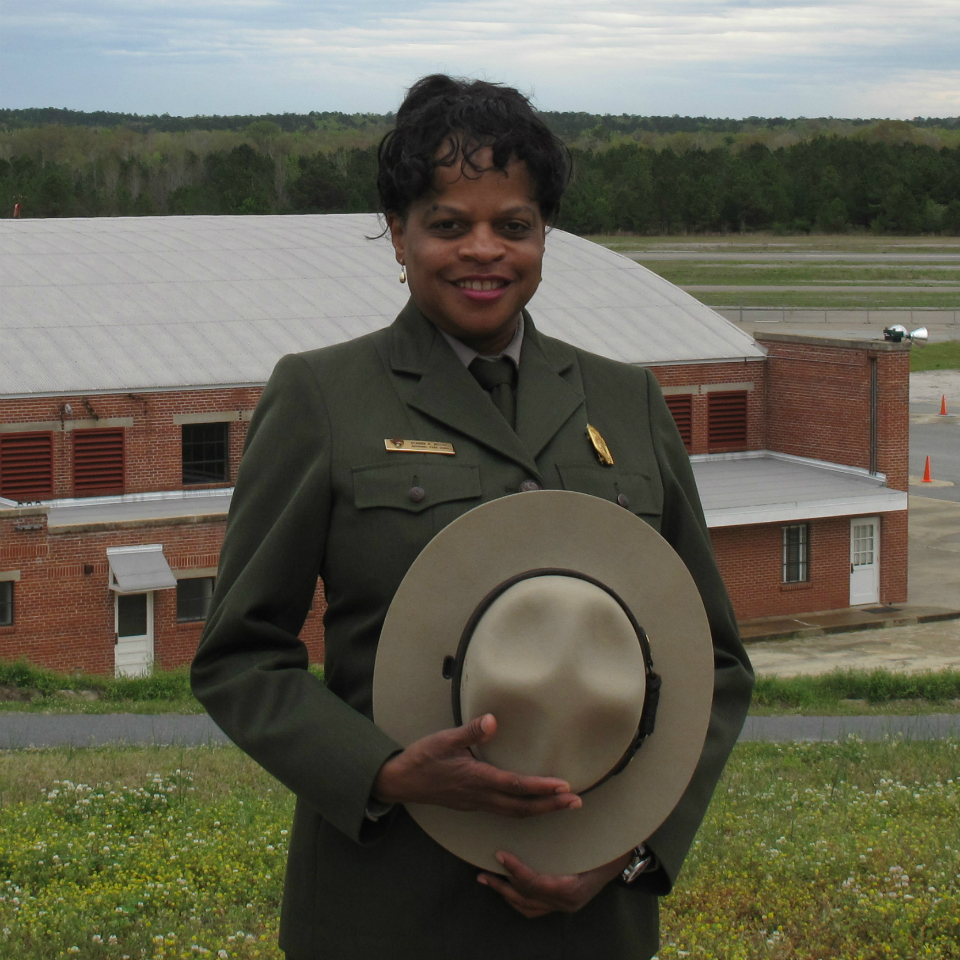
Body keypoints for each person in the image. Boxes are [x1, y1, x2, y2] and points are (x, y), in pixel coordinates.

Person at [191, 74, 754, 960]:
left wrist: (629, 853)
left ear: (544, 236)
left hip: (588, 920)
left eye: (514, 226)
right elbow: (239, 657)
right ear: (399, 233)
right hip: (388, 908)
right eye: (449, 224)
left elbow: (712, 663)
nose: (483, 251)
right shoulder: (324, 397)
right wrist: (383, 773)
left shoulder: (628, 400)